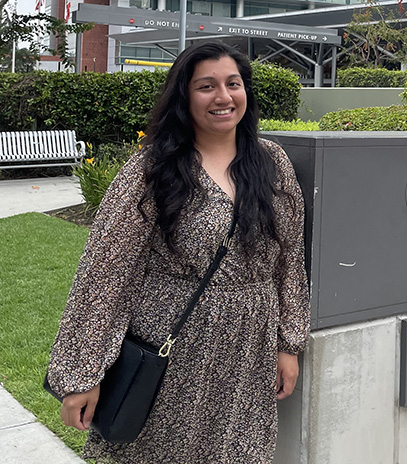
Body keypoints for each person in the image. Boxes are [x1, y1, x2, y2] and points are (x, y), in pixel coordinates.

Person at [46, 41, 310, 463]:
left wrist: (289, 343)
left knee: (240, 453)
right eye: (207, 86)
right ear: (184, 97)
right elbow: (105, 274)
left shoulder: (272, 163)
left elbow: (289, 262)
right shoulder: (152, 170)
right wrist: (83, 373)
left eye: (233, 84)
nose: (223, 97)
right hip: (173, 347)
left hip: (249, 349)